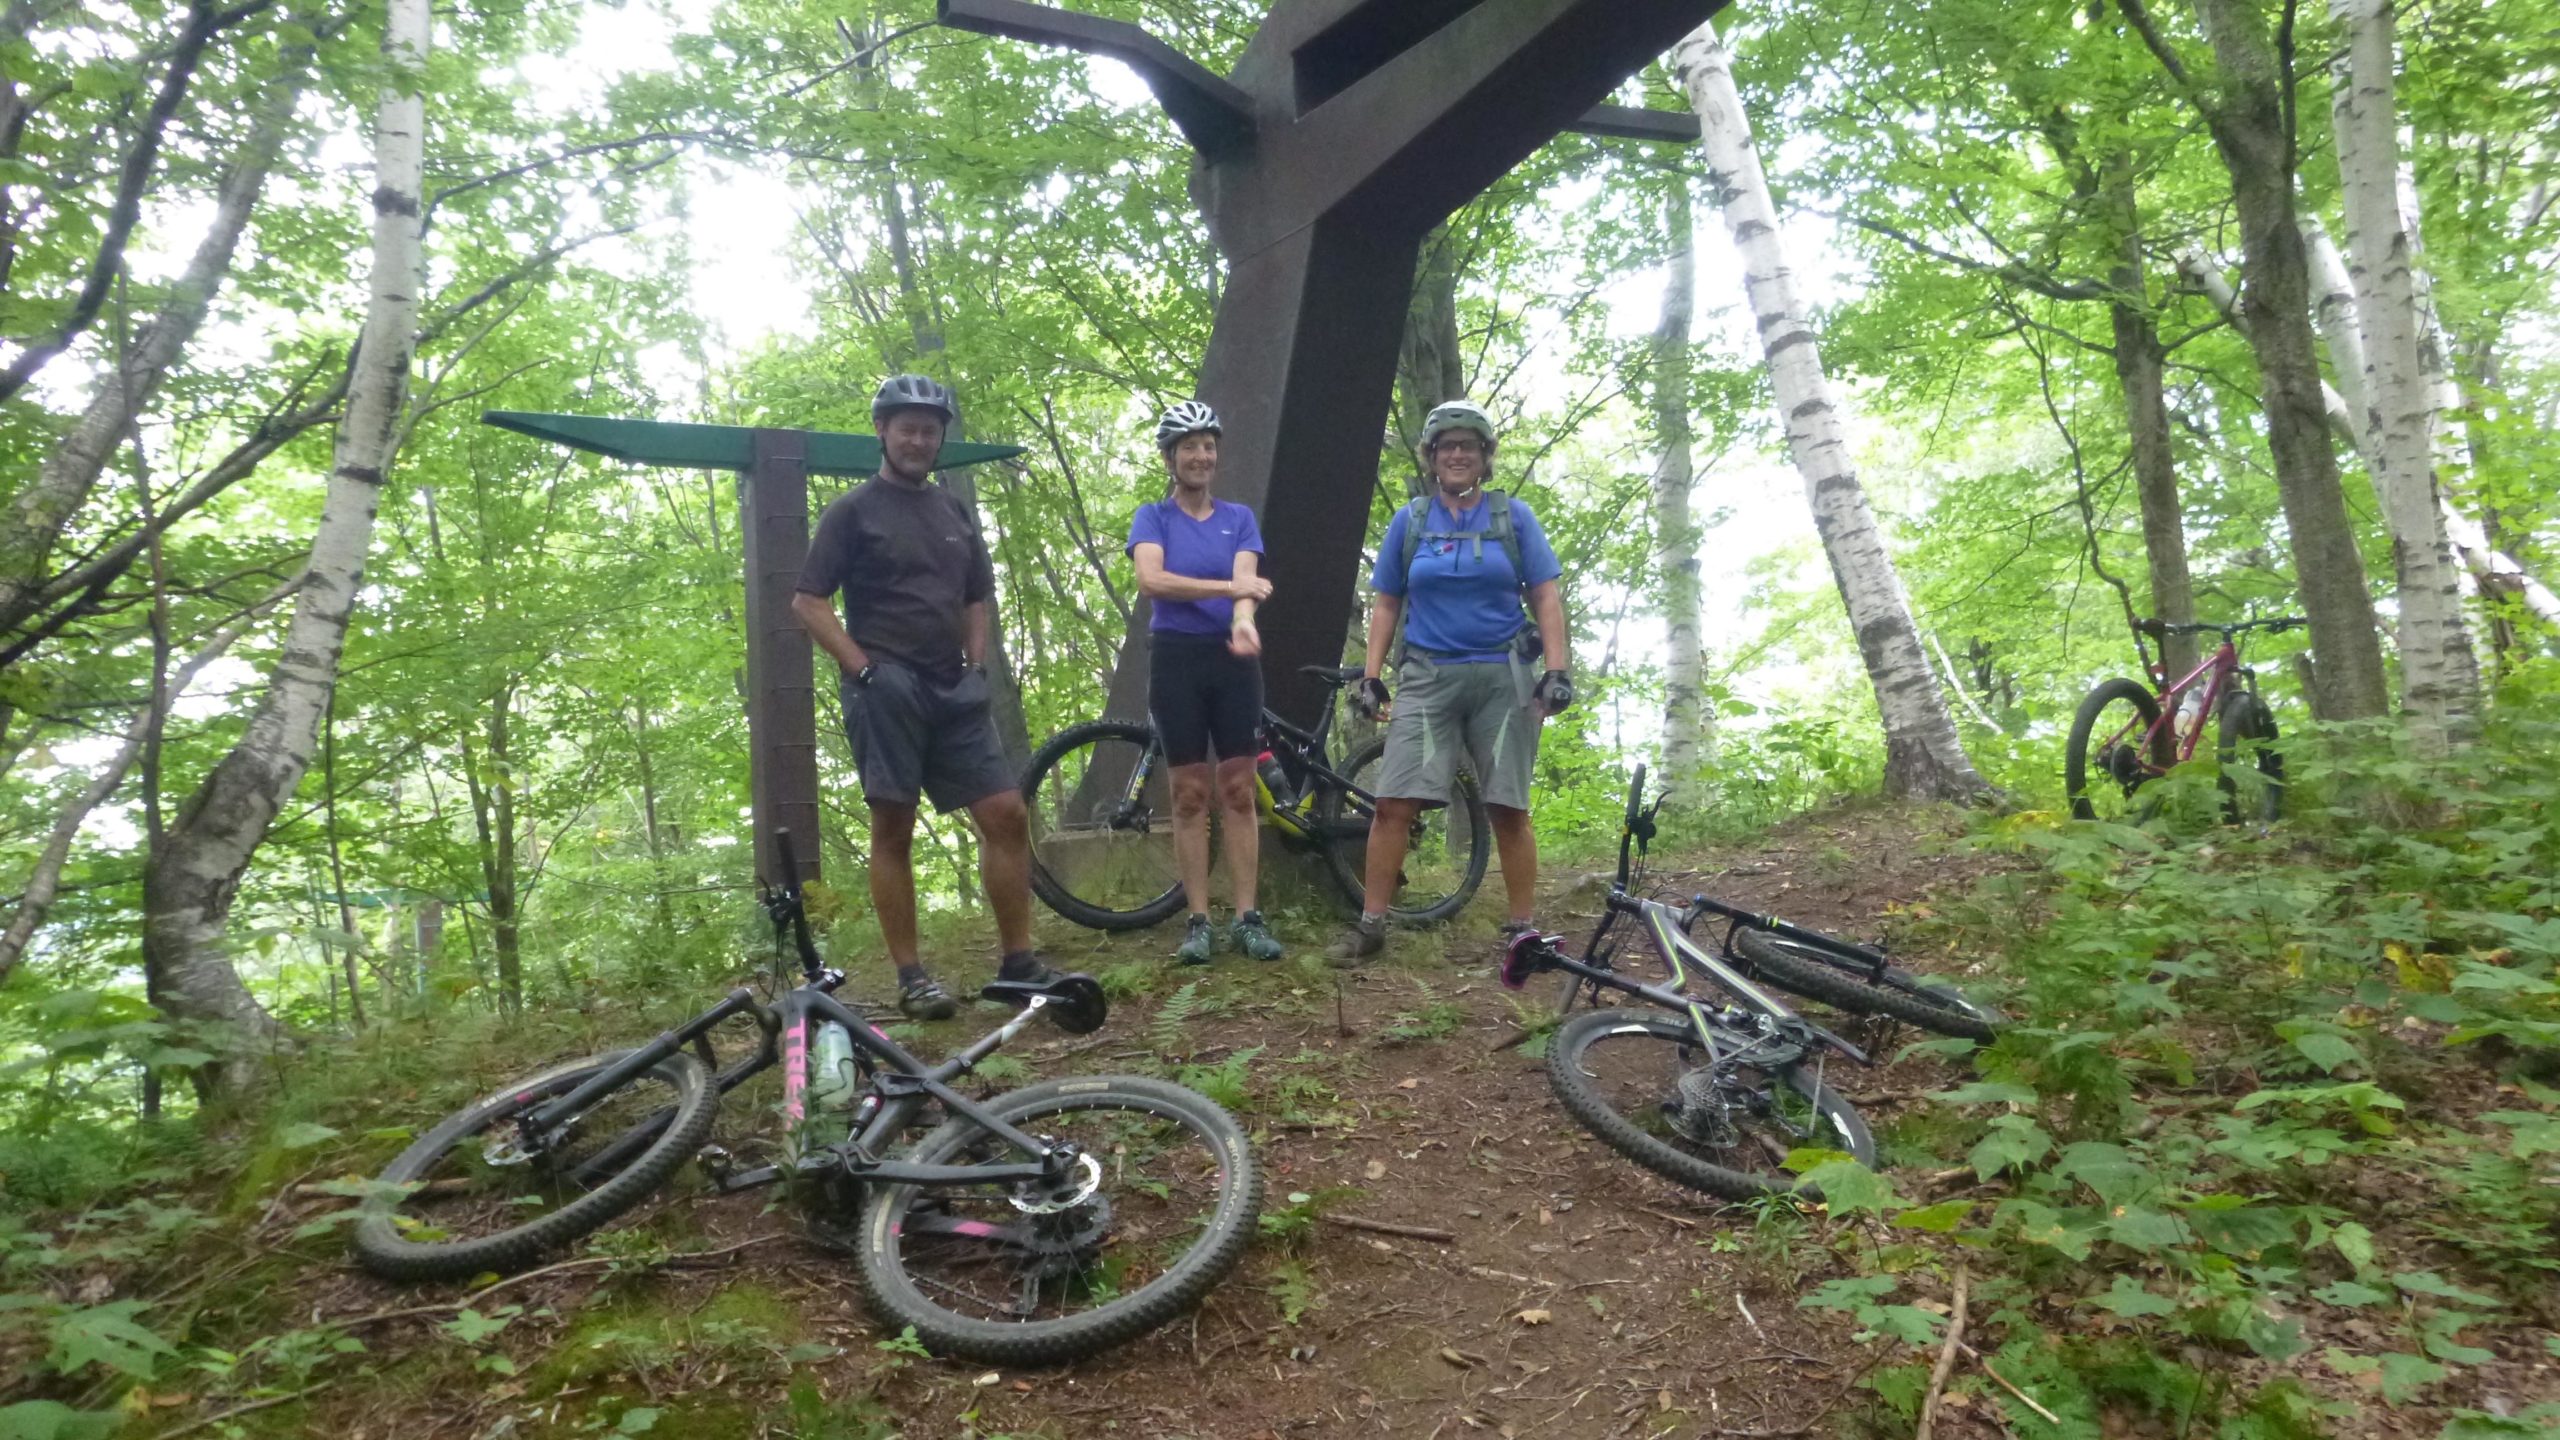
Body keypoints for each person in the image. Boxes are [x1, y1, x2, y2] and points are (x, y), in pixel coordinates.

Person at [791, 373, 1058, 1019]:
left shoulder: (953, 510)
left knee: (1006, 813)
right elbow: (808, 601)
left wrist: (977, 662)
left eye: (929, 431)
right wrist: (862, 669)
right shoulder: (852, 511)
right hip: (888, 686)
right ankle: (913, 978)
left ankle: (1018, 963)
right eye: (906, 427)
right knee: (895, 827)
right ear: (882, 431)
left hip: (954, 686)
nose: (918, 439)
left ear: (940, 439)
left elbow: (976, 594)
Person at [1329, 400, 1573, 965]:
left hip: (1502, 676)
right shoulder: (1412, 521)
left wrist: (1556, 670)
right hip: (1427, 674)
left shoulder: (1514, 517)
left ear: (1485, 457)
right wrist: (1371, 675)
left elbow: (1545, 595)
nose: (1457, 454)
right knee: (1393, 802)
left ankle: (1521, 929)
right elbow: (1387, 601)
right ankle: (1372, 924)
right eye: (1446, 446)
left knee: (1507, 804)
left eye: (1468, 445)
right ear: (1432, 458)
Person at [1126, 400, 1286, 964]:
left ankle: (1248, 916)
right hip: (1176, 658)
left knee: (1239, 788)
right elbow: (1152, 579)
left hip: (1232, 660)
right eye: (1189, 447)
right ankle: (1198, 920)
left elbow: (1248, 581)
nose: (1200, 456)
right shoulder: (1153, 517)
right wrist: (1226, 594)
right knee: (1189, 794)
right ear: (1170, 457)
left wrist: (1243, 618)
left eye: (1208, 446)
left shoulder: (1238, 517)